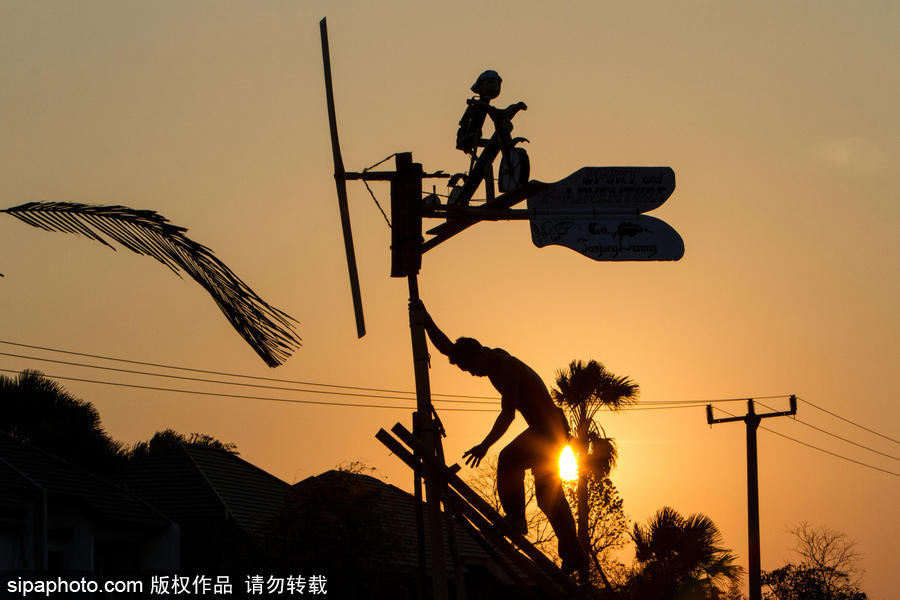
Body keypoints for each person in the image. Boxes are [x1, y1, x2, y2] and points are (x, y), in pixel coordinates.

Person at [417, 301, 589, 576]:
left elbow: (507, 415)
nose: (472, 374)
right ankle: (575, 557)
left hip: (549, 432)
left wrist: (484, 445)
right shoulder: (489, 358)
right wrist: (426, 321)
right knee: (547, 497)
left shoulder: (506, 369)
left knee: (509, 458)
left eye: (470, 368)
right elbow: (449, 348)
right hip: (549, 430)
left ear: (479, 355)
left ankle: (517, 520)